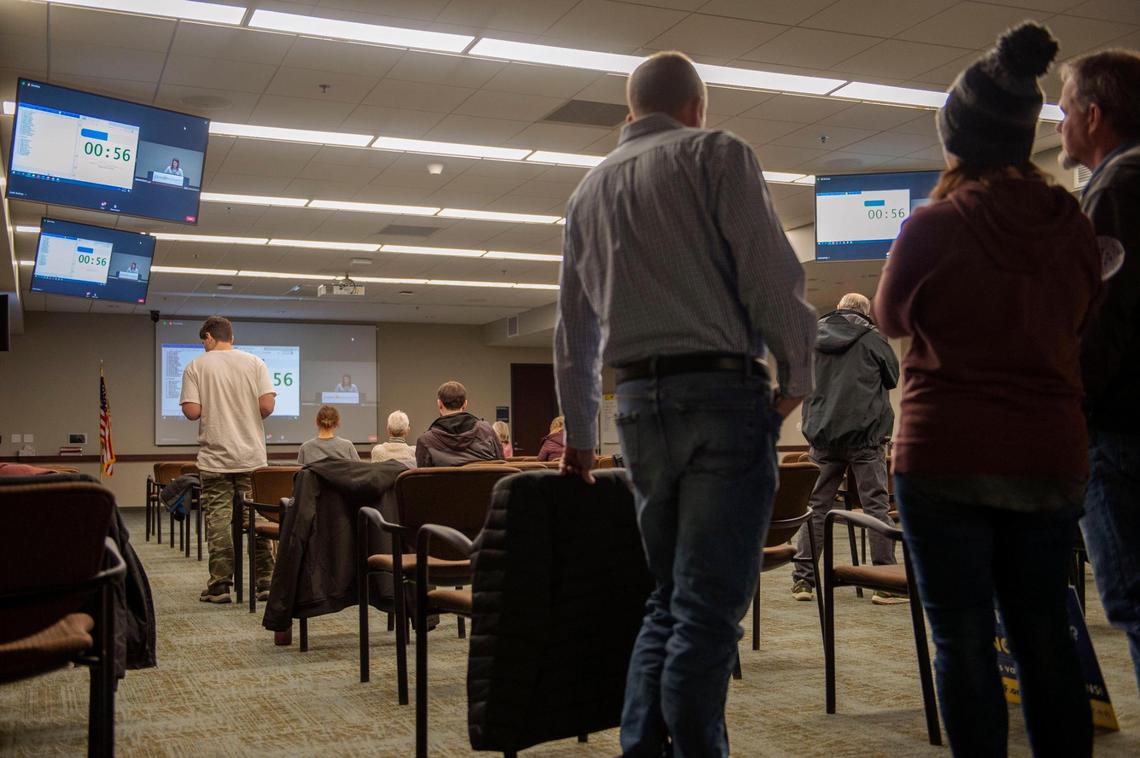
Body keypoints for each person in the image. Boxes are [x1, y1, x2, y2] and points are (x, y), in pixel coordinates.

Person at [554, 51, 815, 757]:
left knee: (668, 600)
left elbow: (573, 329)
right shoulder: (717, 152)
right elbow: (769, 274)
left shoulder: (587, 192)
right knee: (707, 610)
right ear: (697, 106)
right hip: (722, 396)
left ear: (630, 111)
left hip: (636, 405)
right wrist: (796, 373)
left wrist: (580, 431)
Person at [874, 23, 1098, 757]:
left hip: (947, 455)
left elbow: (890, 317)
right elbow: (1084, 313)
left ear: (960, 139)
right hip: (1050, 452)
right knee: (1045, 635)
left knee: (963, 639)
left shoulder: (931, 226)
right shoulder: (1073, 226)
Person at [1057, 48, 1140, 692]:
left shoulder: (1115, 187)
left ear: (1094, 114)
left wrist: (1066, 416)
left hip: (1119, 432)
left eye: (1062, 112)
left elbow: (1098, 325)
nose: (1057, 127)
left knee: (1134, 602)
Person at [790, 293, 901, 604]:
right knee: (876, 506)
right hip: (865, 437)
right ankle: (886, 582)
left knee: (816, 507)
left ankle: (803, 581)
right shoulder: (873, 338)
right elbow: (892, 378)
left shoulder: (811, 338)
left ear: (837, 310)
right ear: (865, 314)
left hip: (823, 437)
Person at [180, 316, 277, 604]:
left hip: (215, 459)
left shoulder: (196, 365)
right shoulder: (255, 362)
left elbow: (192, 412)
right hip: (252, 457)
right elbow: (267, 405)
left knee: (219, 522)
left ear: (209, 337)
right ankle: (265, 583)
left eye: (204, 341)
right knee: (257, 518)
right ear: (231, 337)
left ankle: (220, 585)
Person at [415, 381, 503, 467]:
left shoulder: (425, 441)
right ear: (465, 404)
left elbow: (423, 479)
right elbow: (502, 466)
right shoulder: (486, 430)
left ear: (439, 404)